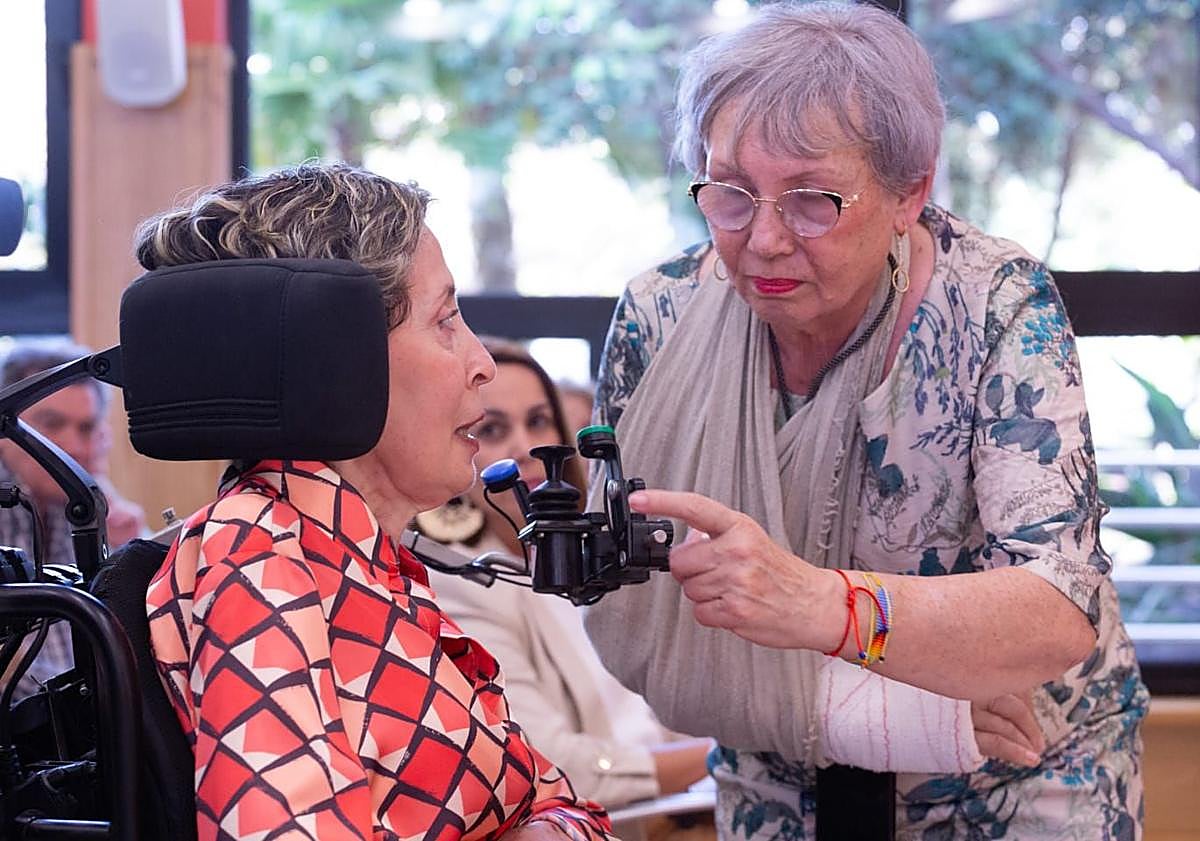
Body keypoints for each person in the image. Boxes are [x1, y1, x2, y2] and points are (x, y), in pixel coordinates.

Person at [583, 3, 1147, 839]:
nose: (765, 239)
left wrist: (824, 607)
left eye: (813, 201)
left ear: (909, 191)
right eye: (732, 194)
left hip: (1011, 772)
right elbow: (623, 596)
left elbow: (1054, 611)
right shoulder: (659, 316)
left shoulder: (993, 306)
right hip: (774, 777)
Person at [140, 163, 611, 841]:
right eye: (446, 320)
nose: (481, 361)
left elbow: (554, 801)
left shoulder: (367, 559)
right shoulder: (257, 555)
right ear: (343, 358)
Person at [421, 337, 713, 811]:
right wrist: (714, 758)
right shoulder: (459, 579)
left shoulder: (597, 551)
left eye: (538, 421)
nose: (525, 446)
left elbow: (664, 702)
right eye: (493, 429)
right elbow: (545, 761)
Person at [0, 338, 147, 701]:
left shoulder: (79, 506)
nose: (74, 447)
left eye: (85, 429)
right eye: (51, 424)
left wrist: (121, 551)